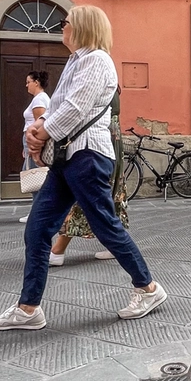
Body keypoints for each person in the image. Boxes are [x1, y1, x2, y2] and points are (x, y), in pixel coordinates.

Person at [0, 5, 167, 331]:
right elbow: (57, 105)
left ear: (82, 27)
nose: (61, 28)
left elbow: (75, 108)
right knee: (39, 229)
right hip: (69, 158)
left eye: (65, 23)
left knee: (106, 227)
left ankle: (148, 288)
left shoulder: (97, 60)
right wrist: (39, 125)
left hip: (88, 157)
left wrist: (40, 135)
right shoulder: (77, 61)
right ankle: (29, 309)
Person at [48, 87, 126, 264]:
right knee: (107, 194)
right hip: (111, 139)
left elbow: (76, 112)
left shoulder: (95, 80)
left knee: (86, 193)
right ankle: (114, 246)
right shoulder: (112, 84)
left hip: (95, 141)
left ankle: (58, 250)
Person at [18, 70, 51, 223]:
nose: (26, 85)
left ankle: (37, 213)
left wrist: (34, 146)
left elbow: (40, 124)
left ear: (36, 82)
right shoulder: (40, 99)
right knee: (36, 176)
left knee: (36, 177)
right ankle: (37, 211)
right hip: (30, 142)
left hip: (33, 140)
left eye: (28, 82)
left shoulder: (39, 100)